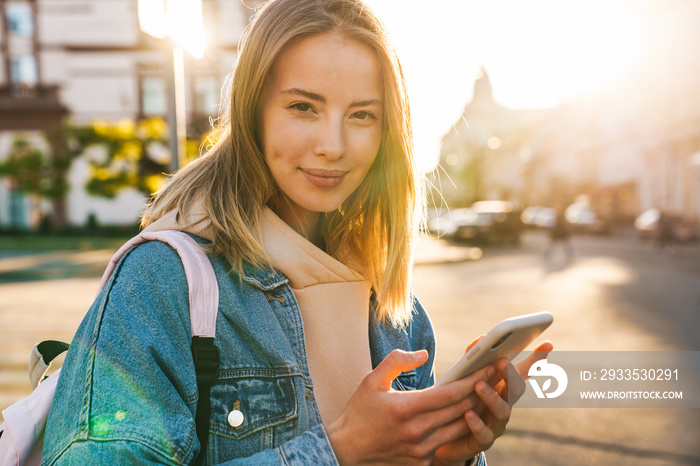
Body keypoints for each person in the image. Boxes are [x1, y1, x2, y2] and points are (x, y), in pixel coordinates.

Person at [42, 0, 552, 464]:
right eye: (303, 107)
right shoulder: (162, 280)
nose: (333, 145)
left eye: (362, 115)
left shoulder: (396, 308)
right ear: (252, 112)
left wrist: (447, 456)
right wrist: (340, 451)